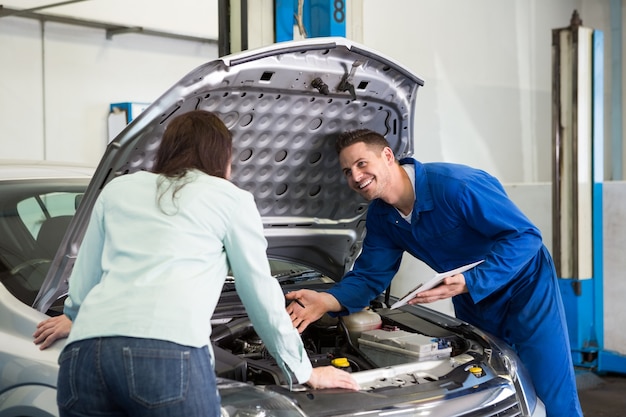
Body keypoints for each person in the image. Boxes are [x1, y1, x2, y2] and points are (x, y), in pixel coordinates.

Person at [33, 110, 359, 417]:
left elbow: (84, 279)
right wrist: (302, 370)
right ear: (223, 157)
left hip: (84, 358)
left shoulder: (118, 189)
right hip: (165, 356)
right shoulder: (229, 198)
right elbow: (260, 293)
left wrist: (75, 316)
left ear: (167, 151)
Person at [285, 128, 583, 417]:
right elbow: (369, 277)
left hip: (525, 285)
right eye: (347, 171)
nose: (355, 176)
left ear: (387, 155)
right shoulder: (381, 217)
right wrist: (328, 300)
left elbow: (525, 236)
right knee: (487, 383)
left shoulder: (457, 186)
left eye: (362, 163)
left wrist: (472, 280)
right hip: (470, 295)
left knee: (550, 385)